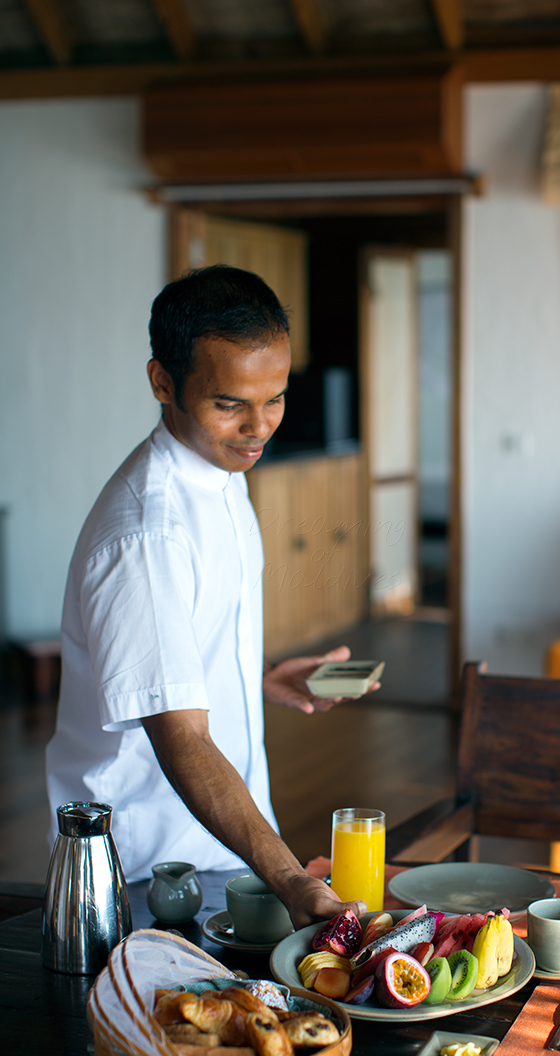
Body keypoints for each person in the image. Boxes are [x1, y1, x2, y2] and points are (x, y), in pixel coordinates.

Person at [46, 266, 364, 928]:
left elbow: (184, 637)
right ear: (163, 382)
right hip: (150, 873)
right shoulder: (145, 534)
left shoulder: (219, 474)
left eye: (274, 398)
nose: (258, 428)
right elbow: (182, 736)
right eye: (230, 404)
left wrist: (260, 674)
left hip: (222, 853)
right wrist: (287, 878)